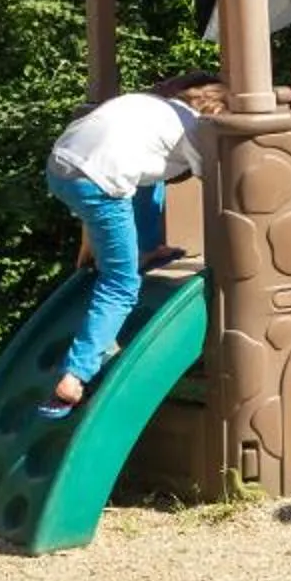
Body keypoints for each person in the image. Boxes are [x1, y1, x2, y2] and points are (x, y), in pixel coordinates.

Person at [41, 71, 227, 418]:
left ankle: (142, 248)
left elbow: (139, 168)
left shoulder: (154, 107)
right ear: (217, 112)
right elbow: (216, 181)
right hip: (97, 183)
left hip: (59, 168)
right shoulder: (198, 129)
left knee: (146, 180)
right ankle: (75, 374)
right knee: (120, 284)